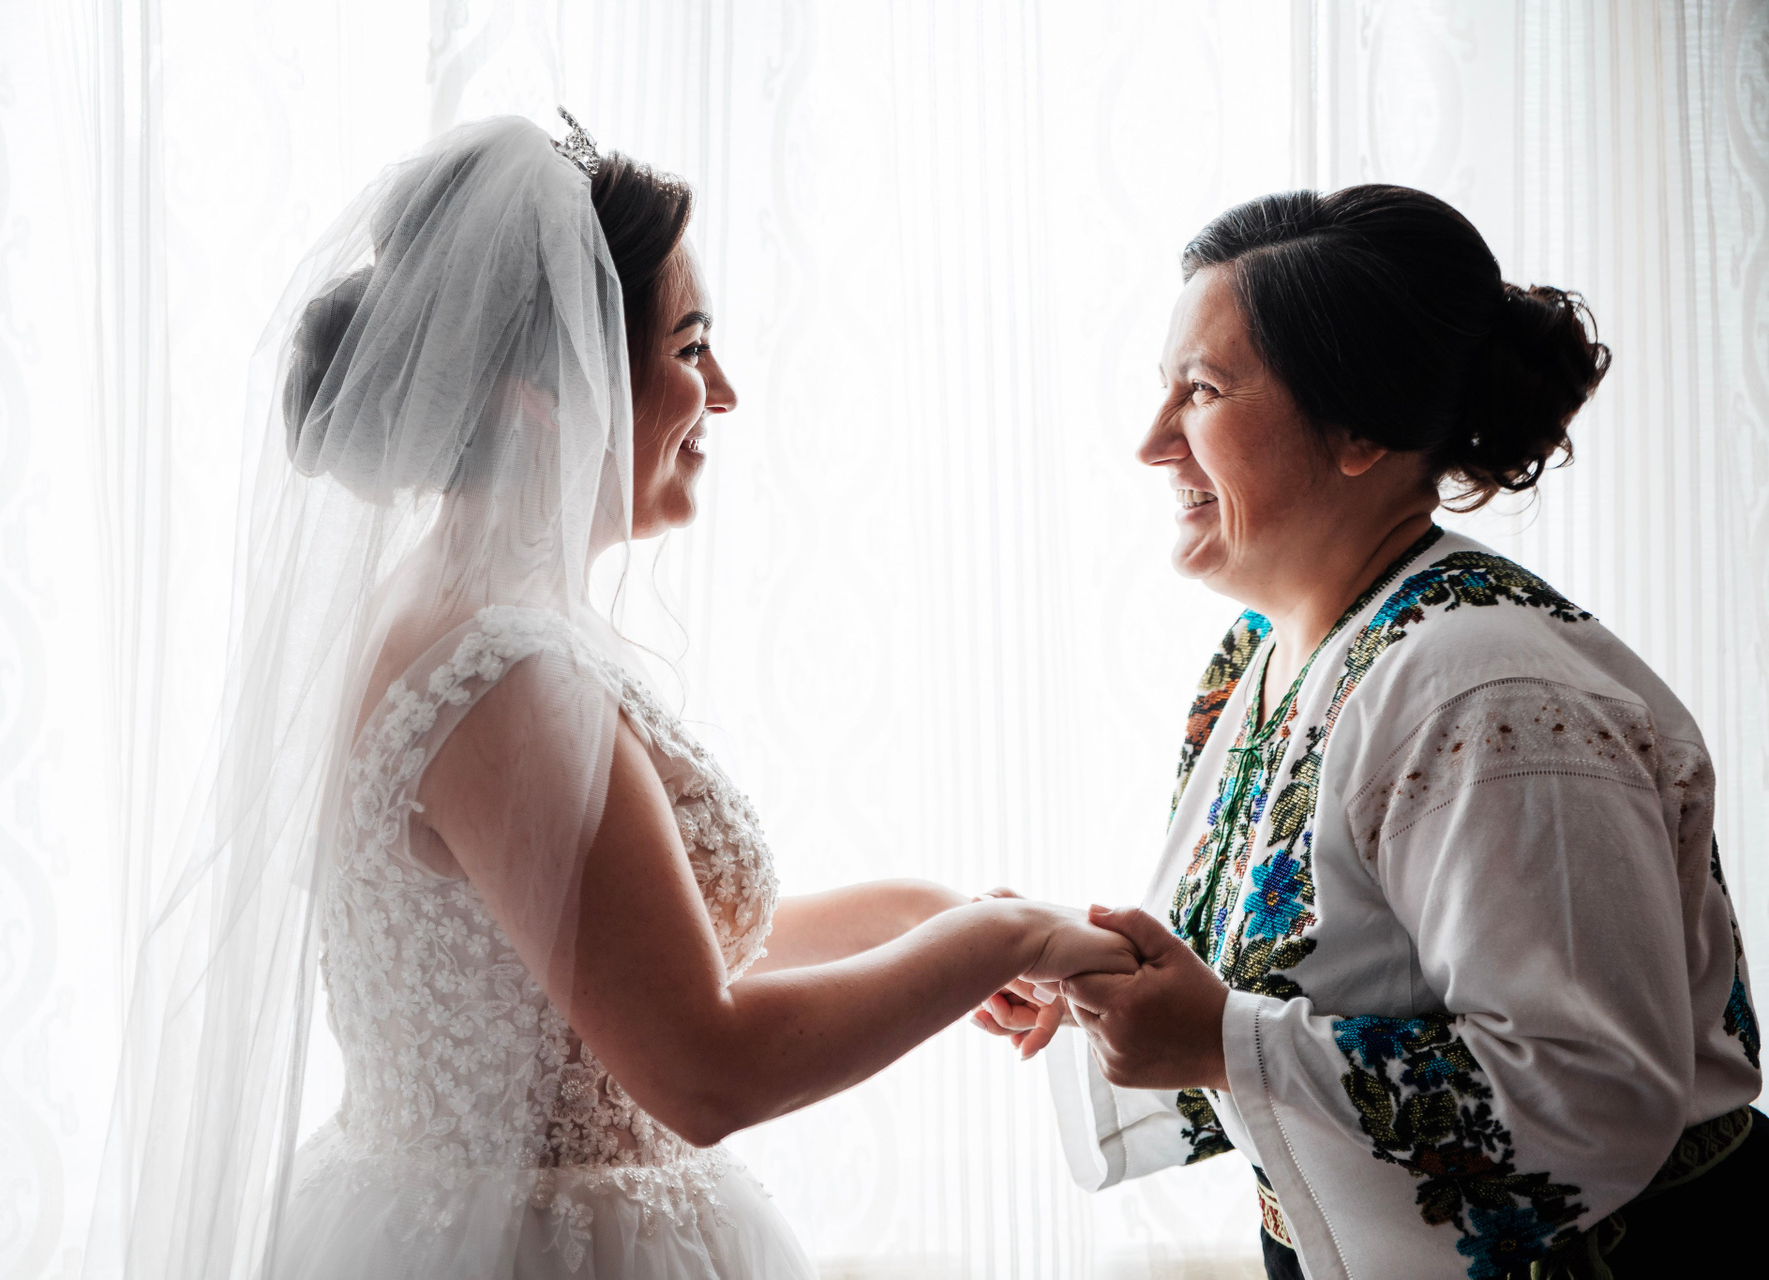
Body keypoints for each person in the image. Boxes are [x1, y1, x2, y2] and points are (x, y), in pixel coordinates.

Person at [91, 113, 1138, 1280]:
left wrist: (923, 916)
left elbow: (614, 962)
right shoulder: (507, 679)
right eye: (691, 347)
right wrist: (1005, 936)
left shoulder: (444, 614)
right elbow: (703, 1070)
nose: (723, 393)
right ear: (551, 391)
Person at [981, 185, 1763, 1278]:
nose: (1153, 441)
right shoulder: (1264, 653)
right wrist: (1087, 966)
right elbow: (1336, 962)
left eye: (1201, 391)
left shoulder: (1487, 692)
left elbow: (1590, 1091)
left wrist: (1219, 1038)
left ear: (1361, 429)